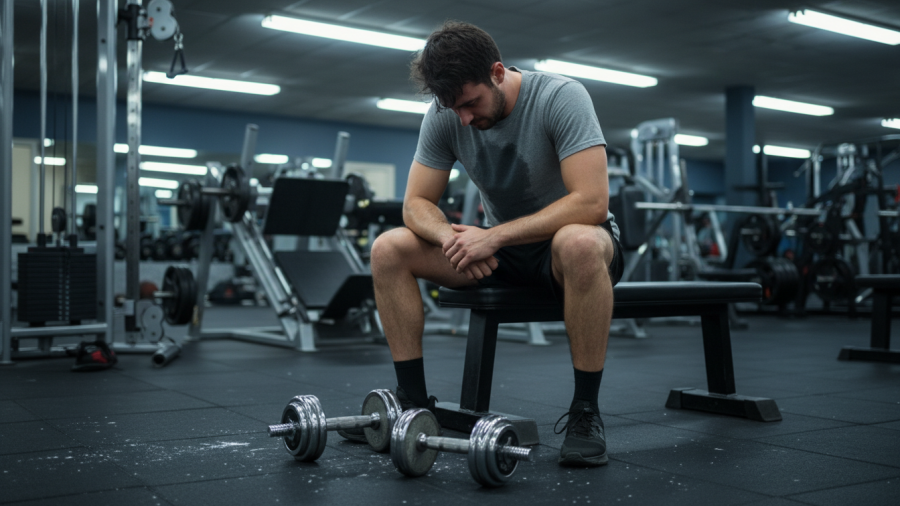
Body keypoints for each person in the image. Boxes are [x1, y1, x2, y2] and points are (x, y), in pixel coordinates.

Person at [343, 21, 623, 467]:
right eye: (454, 109)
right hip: (500, 251)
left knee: (578, 243)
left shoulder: (560, 96)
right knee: (388, 248)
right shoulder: (446, 113)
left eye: (470, 103)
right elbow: (415, 202)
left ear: (497, 72)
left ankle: (585, 412)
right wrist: (448, 240)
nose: (465, 119)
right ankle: (413, 405)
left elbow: (591, 202)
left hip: (567, 248)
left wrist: (491, 236)